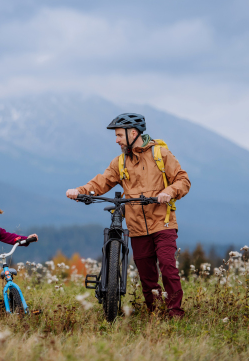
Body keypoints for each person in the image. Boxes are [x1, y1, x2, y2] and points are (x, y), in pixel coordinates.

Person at [66, 113, 190, 317]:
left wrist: (168, 192)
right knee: (147, 276)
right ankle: (156, 314)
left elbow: (183, 180)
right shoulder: (120, 162)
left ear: (133, 133)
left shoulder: (161, 154)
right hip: (137, 226)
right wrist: (81, 191)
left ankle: (175, 313)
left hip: (163, 222)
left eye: (119, 135)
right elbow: (101, 182)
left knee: (167, 266)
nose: (116, 140)